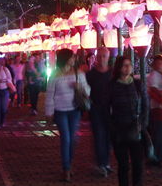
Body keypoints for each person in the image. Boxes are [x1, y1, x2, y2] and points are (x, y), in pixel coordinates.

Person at [45, 49, 90, 182]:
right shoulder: (54, 75)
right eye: (72, 57)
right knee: (66, 138)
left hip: (74, 110)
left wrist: (79, 87)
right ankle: (66, 168)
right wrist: (49, 113)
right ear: (66, 58)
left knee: (74, 138)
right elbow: (49, 96)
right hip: (60, 111)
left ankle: (69, 164)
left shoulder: (79, 73)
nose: (74, 59)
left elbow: (88, 90)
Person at [109, 56, 146, 186]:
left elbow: (145, 105)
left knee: (138, 163)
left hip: (135, 127)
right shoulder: (112, 85)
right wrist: (111, 128)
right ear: (119, 68)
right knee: (123, 164)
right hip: (119, 128)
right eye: (125, 65)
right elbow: (106, 108)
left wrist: (143, 123)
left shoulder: (136, 84)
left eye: (129, 64)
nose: (128, 67)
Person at [86, 47, 112, 176]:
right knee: (98, 135)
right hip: (96, 108)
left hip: (110, 109)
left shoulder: (112, 73)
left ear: (108, 57)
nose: (102, 59)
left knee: (108, 136)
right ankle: (101, 163)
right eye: (100, 56)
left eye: (104, 56)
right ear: (96, 58)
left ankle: (106, 161)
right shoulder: (90, 75)